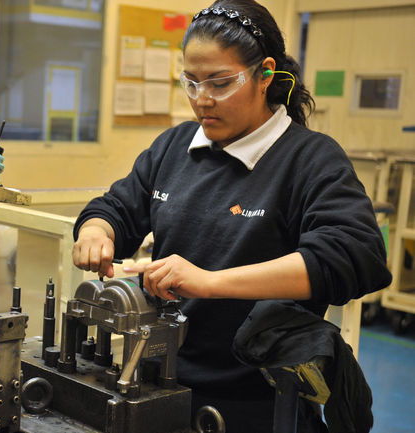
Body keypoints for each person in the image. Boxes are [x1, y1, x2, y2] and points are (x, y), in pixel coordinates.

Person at [72, 1, 392, 432]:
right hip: (158, 386)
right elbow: (117, 207)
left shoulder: (309, 159)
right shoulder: (175, 147)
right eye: (191, 82)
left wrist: (210, 282)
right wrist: (97, 230)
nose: (202, 100)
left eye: (221, 83)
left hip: (258, 402)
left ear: (265, 75)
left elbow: (354, 256)